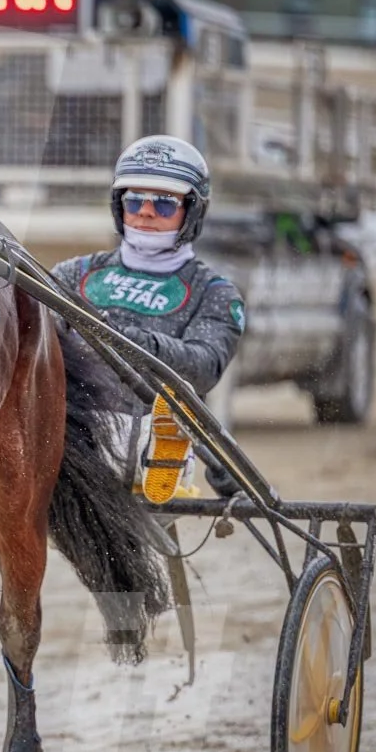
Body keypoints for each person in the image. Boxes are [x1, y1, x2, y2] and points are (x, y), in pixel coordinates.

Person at [50, 135, 247, 501]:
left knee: (156, 417)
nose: (145, 212)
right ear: (118, 206)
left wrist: (127, 340)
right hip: (73, 426)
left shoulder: (215, 292)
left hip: (146, 427)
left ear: (192, 212)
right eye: (135, 200)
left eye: (164, 204)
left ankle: (159, 458)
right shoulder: (72, 275)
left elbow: (204, 366)